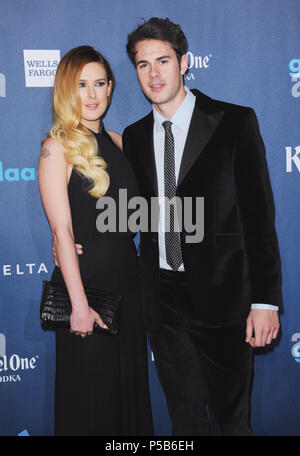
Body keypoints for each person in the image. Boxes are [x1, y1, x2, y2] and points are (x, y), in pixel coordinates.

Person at [121, 17, 283, 435]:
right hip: (163, 301)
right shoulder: (136, 137)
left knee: (232, 423)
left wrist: (265, 301)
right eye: (143, 65)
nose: (154, 73)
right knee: (185, 422)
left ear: (184, 62)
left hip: (225, 299)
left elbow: (259, 216)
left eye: (163, 60)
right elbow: (141, 214)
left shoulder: (234, 121)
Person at [38, 45, 153, 436]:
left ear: (110, 87)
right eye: (81, 84)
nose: (92, 94)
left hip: (128, 286)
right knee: (92, 403)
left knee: (129, 395)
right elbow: (62, 231)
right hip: (86, 291)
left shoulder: (122, 142)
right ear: (67, 90)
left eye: (99, 83)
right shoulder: (57, 148)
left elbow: (139, 216)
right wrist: (79, 304)